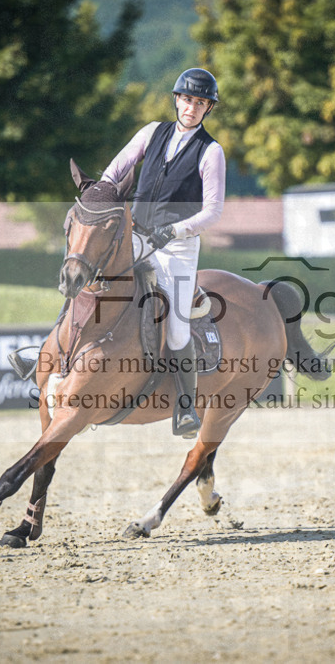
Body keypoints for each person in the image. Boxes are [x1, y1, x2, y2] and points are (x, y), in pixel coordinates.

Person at [100, 67, 226, 437]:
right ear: (177, 99)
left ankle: (186, 410)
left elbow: (213, 210)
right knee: (89, 281)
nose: (191, 107)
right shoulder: (151, 132)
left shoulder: (211, 151)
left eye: (200, 102)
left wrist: (174, 229)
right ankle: (52, 358)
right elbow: (116, 170)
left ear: (208, 109)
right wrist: (103, 194)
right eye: (187, 99)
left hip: (178, 250)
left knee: (176, 328)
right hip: (135, 237)